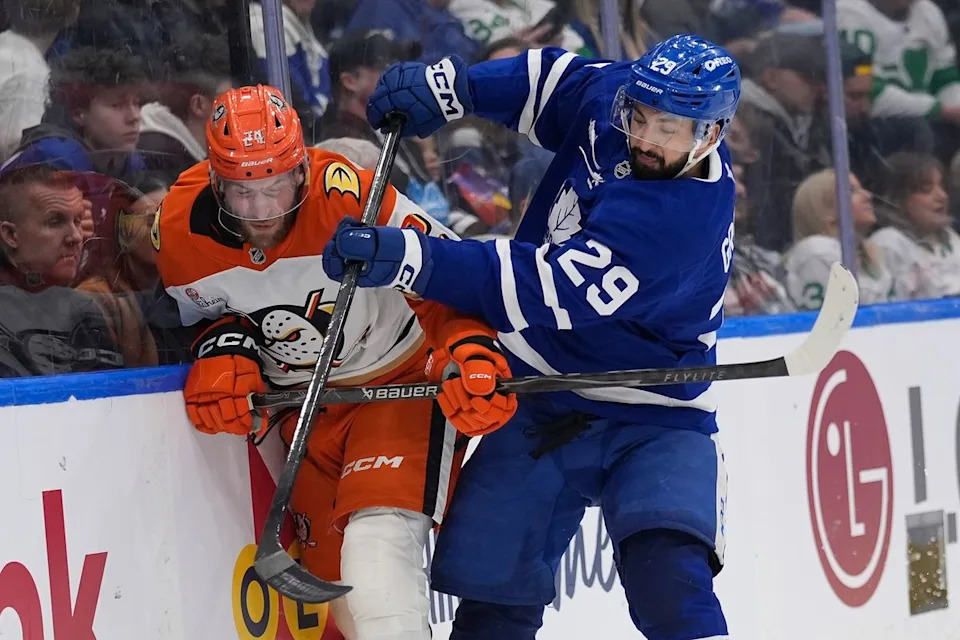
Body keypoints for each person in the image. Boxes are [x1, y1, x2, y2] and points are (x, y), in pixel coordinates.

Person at [324, 34, 741, 639]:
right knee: (494, 601)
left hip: (654, 412)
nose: (646, 137)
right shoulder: (620, 99)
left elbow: (546, 290)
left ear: (711, 132)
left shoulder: (683, 216)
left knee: (670, 587)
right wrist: (454, 88)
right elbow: (551, 83)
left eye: (670, 129)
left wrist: (417, 257)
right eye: (641, 117)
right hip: (540, 390)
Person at [152, 85, 516, 640]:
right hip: (301, 406)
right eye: (242, 193)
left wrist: (468, 348)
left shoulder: (352, 198)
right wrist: (224, 347)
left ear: (300, 168)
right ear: (214, 179)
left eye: (275, 187)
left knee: (376, 552)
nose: (261, 212)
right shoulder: (178, 231)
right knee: (331, 577)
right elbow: (196, 316)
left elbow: (444, 277)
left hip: (397, 380)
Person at [784, 168, 894, 309]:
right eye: (851, 191)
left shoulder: (869, 251)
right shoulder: (816, 252)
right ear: (825, 211)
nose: (868, 196)